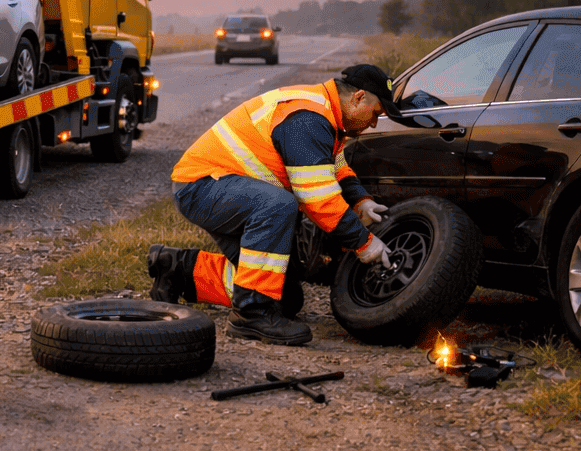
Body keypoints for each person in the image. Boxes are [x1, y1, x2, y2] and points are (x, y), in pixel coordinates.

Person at [147, 64, 398, 346]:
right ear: (358, 98)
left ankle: (177, 269)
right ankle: (250, 316)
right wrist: (364, 244)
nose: (374, 123)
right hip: (202, 186)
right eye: (376, 113)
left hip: (231, 192)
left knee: (285, 298)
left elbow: (335, 167)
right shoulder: (308, 118)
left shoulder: (327, 114)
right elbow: (318, 199)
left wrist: (361, 200)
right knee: (281, 205)